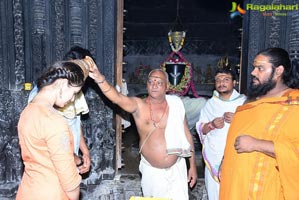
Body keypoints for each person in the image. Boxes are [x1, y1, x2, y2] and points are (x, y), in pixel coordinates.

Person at [88, 67, 197, 200]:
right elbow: (117, 98)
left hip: (177, 170)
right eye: (151, 82)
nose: (154, 85)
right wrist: (100, 78)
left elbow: (186, 135)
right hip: (153, 173)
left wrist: (192, 166)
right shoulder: (139, 106)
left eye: (159, 82)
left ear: (167, 86)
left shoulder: (176, 104)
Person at [219, 47, 299, 200]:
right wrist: (225, 160)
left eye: (260, 68)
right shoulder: (251, 103)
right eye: (254, 67)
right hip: (236, 187)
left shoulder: (295, 104)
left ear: (278, 71)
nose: (253, 73)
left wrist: (257, 144)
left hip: (269, 189)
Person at [16, 58, 95, 200]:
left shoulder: (27, 112)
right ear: (63, 84)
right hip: (52, 192)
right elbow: (69, 180)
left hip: (28, 190)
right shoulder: (54, 120)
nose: (72, 100)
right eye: (74, 93)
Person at [27, 46, 93, 174]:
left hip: (69, 160)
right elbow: (52, 144)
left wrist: (85, 152)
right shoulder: (40, 97)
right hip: (51, 165)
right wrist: (76, 160)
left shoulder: (73, 92)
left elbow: (75, 122)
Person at [195, 68, 246, 200]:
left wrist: (238, 119)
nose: (221, 83)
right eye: (218, 80)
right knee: (214, 193)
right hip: (214, 156)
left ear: (234, 82)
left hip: (237, 155)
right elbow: (201, 128)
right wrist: (211, 125)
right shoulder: (210, 104)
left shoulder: (244, 103)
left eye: (226, 80)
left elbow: (254, 126)